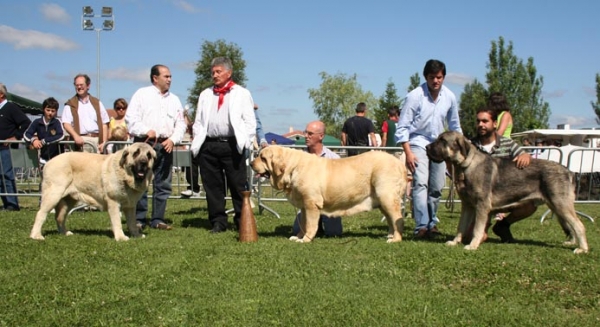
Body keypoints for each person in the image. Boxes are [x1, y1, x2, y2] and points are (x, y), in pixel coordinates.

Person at [395, 59, 462, 238]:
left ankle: (432, 222)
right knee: (420, 182)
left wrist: (457, 151)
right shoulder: (414, 96)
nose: (436, 81)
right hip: (417, 142)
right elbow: (402, 127)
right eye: (432, 77)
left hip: (440, 146)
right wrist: (408, 152)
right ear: (426, 77)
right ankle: (421, 226)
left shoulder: (450, 97)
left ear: (444, 77)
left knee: (437, 186)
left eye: (439, 77)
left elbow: (455, 126)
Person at [190, 57, 256, 233]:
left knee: (237, 185)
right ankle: (218, 222)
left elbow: (250, 121)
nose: (214, 75)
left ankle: (242, 220)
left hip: (232, 144)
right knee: (213, 186)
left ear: (229, 72)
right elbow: (198, 122)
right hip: (209, 145)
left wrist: (246, 142)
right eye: (213, 72)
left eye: (218, 71)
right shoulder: (205, 94)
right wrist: (198, 139)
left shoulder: (242, 93)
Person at [126, 64, 186, 230]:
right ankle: (139, 219)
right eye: (166, 76)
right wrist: (146, 130)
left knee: (163, 183)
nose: (169, 80)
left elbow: (181, 123)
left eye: (170, 77)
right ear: (155, 78)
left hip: (165, 145)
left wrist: (173, 139)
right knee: (140, 180)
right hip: (144, 144)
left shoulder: (174, 100)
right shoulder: (141, 94)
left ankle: (158, 219)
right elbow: (131, 119)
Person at [469, 106, 533, 243]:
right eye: (478, 121)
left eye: (485, 121)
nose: (481, 125)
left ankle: (503, 225)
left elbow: (523, 155)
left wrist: (526, 156)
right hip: (481, 202)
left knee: (530, 205)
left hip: (505, 198)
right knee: (473, 238)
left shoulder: (507, 143)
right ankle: (483, 227)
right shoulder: (471, 145)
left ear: (495, 124)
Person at [292, 121, 343, 237]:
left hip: (329, 203)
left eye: (310, 134)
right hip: (306, 203)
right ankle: (315, 225)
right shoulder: (299, 158)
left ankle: (319, 223)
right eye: (306, 133)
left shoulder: (334, 158)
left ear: (321, 136)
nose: (306, 136)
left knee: (334, 233)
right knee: (297, 231)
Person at [0, 83, 31, 211]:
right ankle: (6, 203)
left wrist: (15, 137)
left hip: (7, 149)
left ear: (1, 94)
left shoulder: (11, 107)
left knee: (6, 175)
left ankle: (12, 204)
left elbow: (26, 123)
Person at [62, 74, 110, 153]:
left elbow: (105, 123)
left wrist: (104, 142)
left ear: (88, 86)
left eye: (81, 85)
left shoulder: (97, 103)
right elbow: (66, 124)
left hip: (97, 141)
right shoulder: (70, 104)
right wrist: (76, 136)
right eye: (77, 85)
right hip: (80, 142)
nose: (79, 87)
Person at [23, 97, 65, 166]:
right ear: (43, 109)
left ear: (56, 111)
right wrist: (33, 140)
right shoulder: (37, 122)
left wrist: (45, 141)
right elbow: (27, 134)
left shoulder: (57, 122)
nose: (50, 113)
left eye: (53, 111)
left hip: (56, 158)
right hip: (42, 157)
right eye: (48, 110)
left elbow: (61, 135)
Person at [181, 109, 200, 197]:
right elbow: (189, 125)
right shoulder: (196, 122)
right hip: (197, 145)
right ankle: (193, 188)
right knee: (191, 161)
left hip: (211, 144)